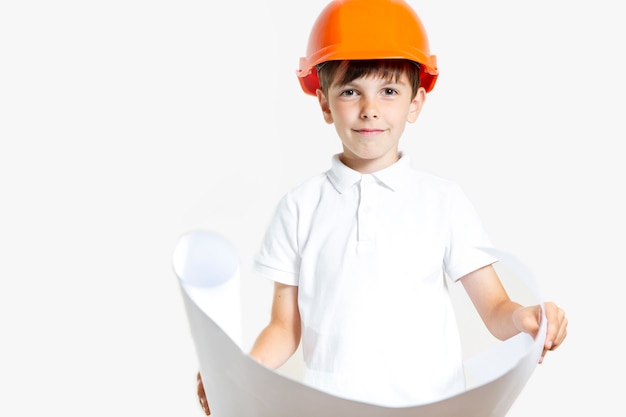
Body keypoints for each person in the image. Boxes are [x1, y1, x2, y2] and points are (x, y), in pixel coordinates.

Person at [196, 0, 568, 414]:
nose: (369, 108)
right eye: (351, 91)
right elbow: (285, 328)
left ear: (416, 103)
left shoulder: (443, 202)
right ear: (324, 104)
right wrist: (236, 373)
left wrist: (524, 319)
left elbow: (496, 309)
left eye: (388, 91)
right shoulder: (299, 208)